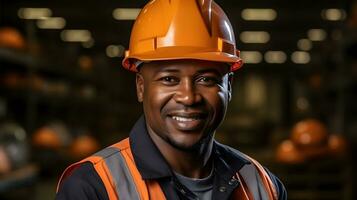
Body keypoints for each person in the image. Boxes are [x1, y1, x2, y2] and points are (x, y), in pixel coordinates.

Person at [56, 0, 287, 199]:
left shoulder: (263, 186)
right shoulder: (93, 187)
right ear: (140, 87)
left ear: (229, 87)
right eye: (168, 79)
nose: (188, 97)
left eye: (206, 79)